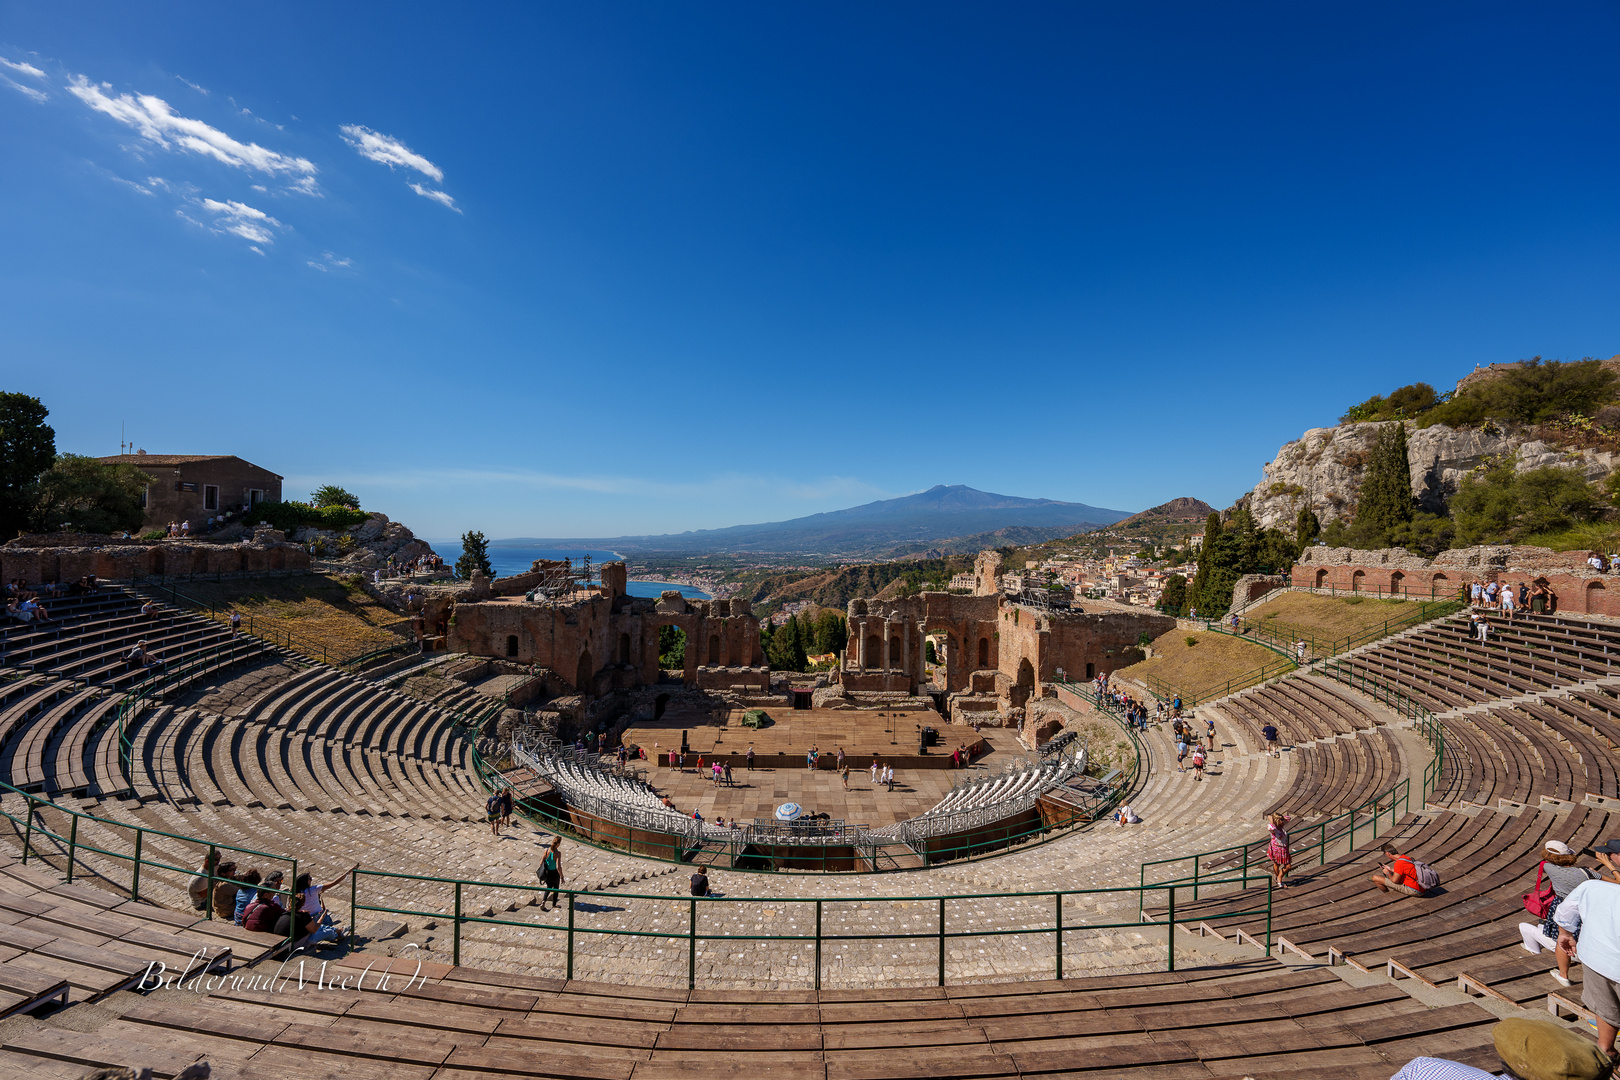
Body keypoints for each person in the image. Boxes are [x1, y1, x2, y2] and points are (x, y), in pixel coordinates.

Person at [1555, 875, 1620, 1056]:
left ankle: (1605, 1048)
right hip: (1601, 960)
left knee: (1605, 1006)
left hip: (1596, 960)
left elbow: (1564, 913)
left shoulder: (1591, 887)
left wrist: (1565, 934)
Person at [1520, 840, 1599, 987]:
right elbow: (1616, 882)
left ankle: (1563, 975)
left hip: (1561, 906)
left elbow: (1547, 860)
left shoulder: (1547, 866)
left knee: (1561, 938)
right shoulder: (1587, 873)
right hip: (1584, 908)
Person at [296, 866, 356, 931]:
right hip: (317, 918)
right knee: (326, 918)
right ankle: (337, 931)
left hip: (305, 920)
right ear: (306, 882)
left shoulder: (296, 893)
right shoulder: (314, 889)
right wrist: (347, 873)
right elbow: (334, 883)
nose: (311, 880)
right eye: (310, 879)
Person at [538, 837, 564, 910]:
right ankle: (554, 904)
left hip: (547, 873)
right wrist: (562, 877)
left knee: (548, 887)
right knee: (556, 888)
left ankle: (543, 901)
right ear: (558, 844)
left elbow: (541, 862)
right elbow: (558, 867)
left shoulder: (546, 850)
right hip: (554, 873)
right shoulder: (558, 853)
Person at [1266, 813, 1292, 888]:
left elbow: (1288, 818)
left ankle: (1279, 878)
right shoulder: (1273, 827)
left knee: (1288, 866)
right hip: (1277, 848)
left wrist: (1280, 817)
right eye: (1280, 820)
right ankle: (1279, 880)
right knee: (1277, 864)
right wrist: (1271, 820)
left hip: (1283, 848)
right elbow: (1271, 828)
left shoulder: (1281, 826)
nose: (1283, 821)